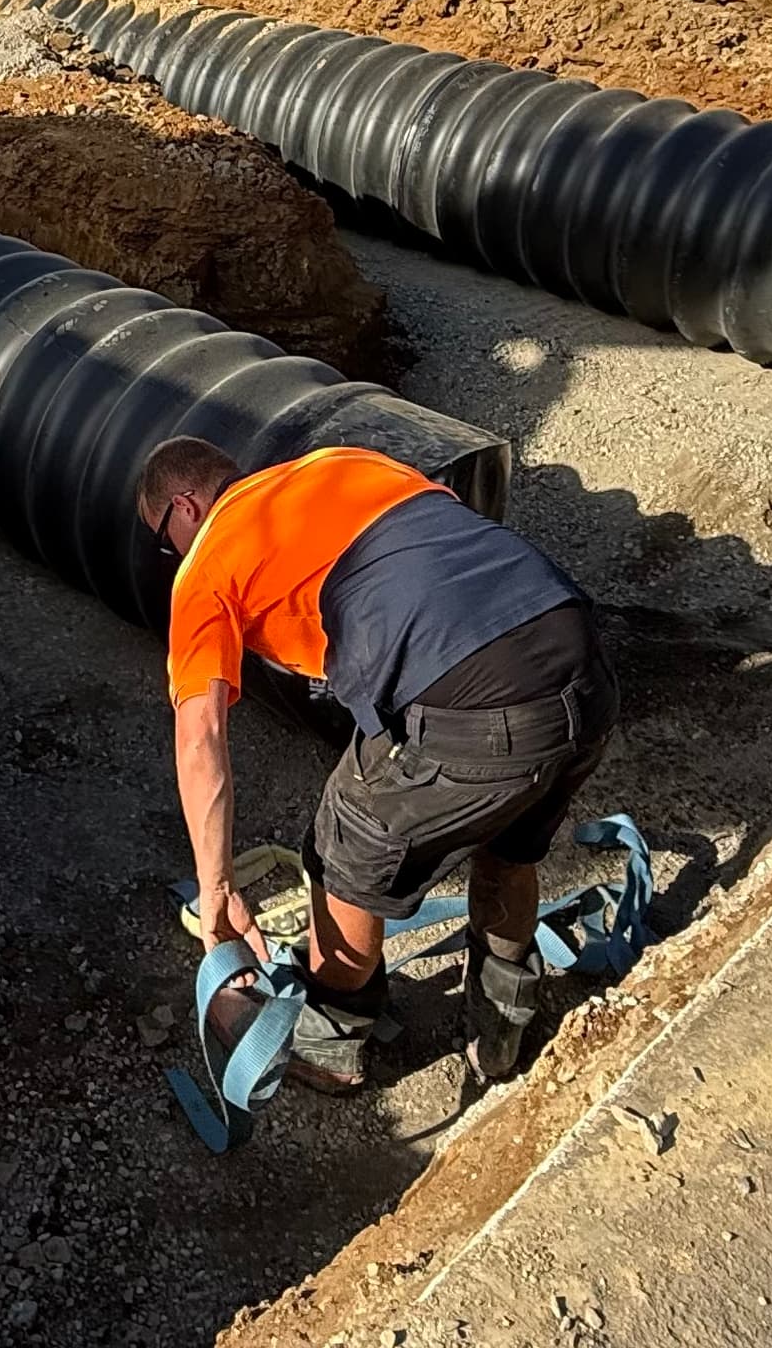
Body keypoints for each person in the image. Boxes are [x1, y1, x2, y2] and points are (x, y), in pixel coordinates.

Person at [137, 435, 618, 1091]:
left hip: (474, 703)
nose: (175, 556)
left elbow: (199, 735)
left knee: (343, 844)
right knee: (508, 838)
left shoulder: (208, 564)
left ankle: (330, 1045)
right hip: (580, 655)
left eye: (167, 540)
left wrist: (217, 890)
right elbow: (435, 563)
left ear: (187, 507)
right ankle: (501, 1033)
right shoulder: (342, 463)